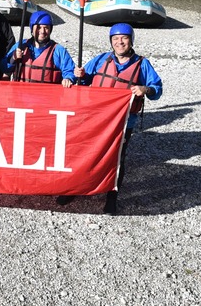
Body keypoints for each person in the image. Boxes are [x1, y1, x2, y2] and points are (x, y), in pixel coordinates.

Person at [68, 23, 163, 214]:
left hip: (124, 122)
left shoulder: (142, 64)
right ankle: (76, 188)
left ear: (131, 40)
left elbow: (157, 90)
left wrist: (146, 89)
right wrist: (79, 75)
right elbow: (83, 80)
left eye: (124, 38)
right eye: (115, 39)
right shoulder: (101, 59)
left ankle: (111, 196)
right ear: (111, 42)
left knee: (116, 160)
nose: (120, 42)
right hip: (96, 119)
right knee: (85, 155)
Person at [2, 11, 75, 87]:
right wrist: (13, 58)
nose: (42, 31)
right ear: (32, 28)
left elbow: (70, 70)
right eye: (39, 27)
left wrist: (68, 78)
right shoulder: (20, 46)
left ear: (50, 30)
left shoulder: (58, 50)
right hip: (19, 96)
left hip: (48, 97)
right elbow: (3, 67)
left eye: (46, 28)